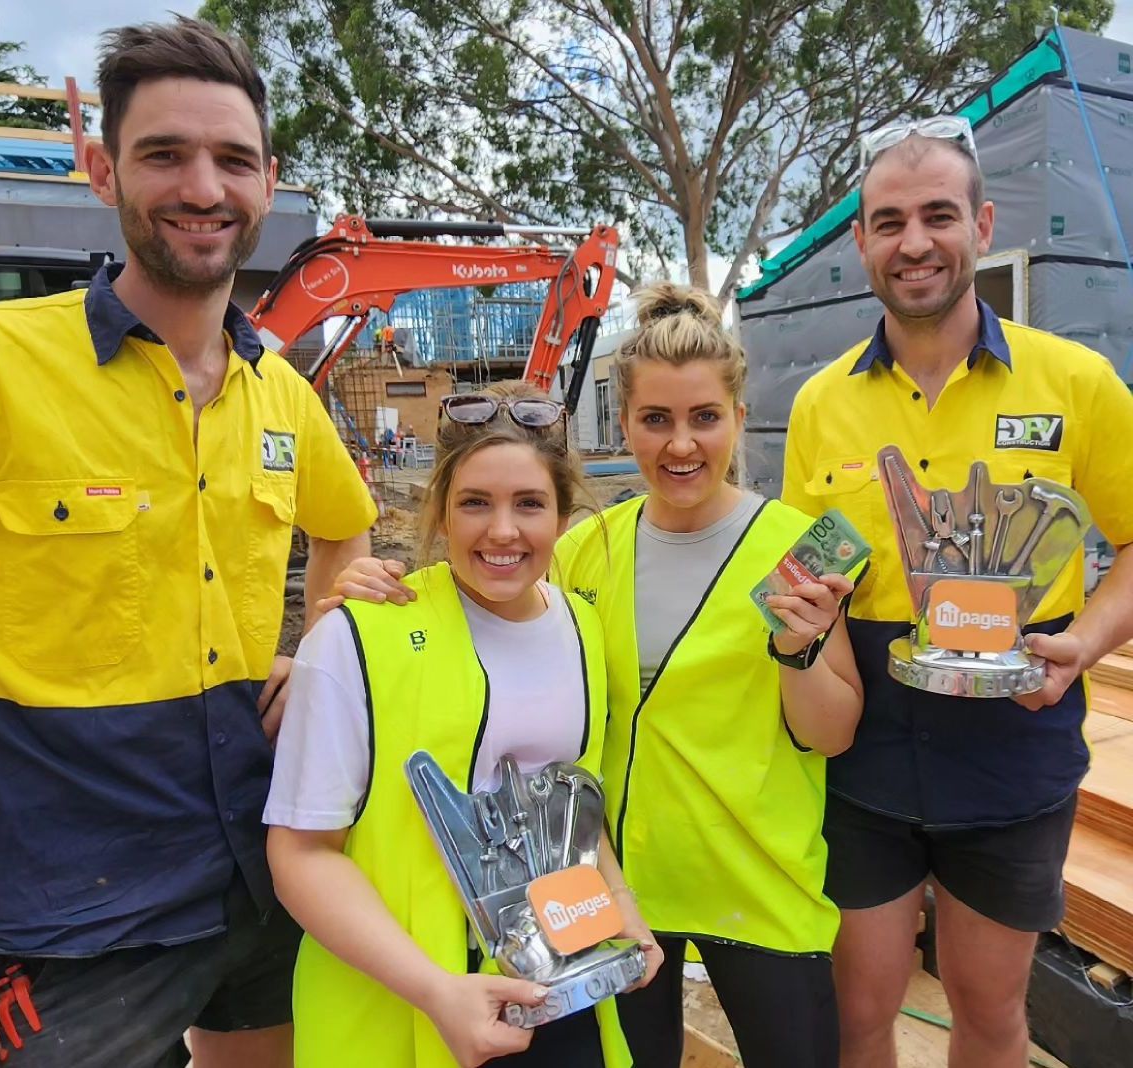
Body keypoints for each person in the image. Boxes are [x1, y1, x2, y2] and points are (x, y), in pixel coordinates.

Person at [0, 16, 376, 1068]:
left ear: (268, 183)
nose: (201, 187)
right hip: (67, 913)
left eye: (231, 159)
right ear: (102, 170)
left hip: (262, 868)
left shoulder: (280, 391)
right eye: (163, 154)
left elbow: (348, 529)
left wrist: (316, 652)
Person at [329, 285, 865, 1068]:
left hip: (756, 883)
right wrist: (378, 591)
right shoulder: (589, 549)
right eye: (657, 420)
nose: (681, 445)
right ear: (626, 425)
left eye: (704, 418)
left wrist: (800, 651)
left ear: (739, 420)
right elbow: (479, 624)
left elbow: (832, 733)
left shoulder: (799, 549)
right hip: (610, 891)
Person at [782, 118, 1133, 1068]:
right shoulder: (821, 405)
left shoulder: (1077, 384)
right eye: (888, 221)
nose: (915, 242)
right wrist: (792, 606)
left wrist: (1087, 642)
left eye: (939, 215)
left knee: (988, 1013)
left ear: (981, 223)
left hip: (1016, 731)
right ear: (860, 241)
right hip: (866, 743)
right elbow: (813, 562)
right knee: (859, 1017)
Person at [264, 382, 661, 1068]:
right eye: (476, 502)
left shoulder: (580, 628)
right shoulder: (357, 639)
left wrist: (624, 912)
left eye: (529, 504)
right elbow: (300, 856)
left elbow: (571, 815)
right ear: (440, 513)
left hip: (561, 1001)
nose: (502, 530)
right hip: (405, 1010)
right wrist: (437, 991)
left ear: (564, 515)